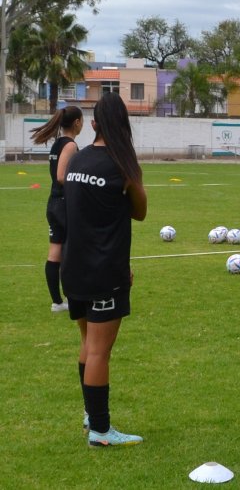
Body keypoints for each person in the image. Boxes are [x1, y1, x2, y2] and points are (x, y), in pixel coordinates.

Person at [61, 93, 147, 446]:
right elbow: (140, 212)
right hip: (104, 271)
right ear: (123, 124)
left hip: (74, 266)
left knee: (87, 343)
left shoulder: (77, 160)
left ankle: (90, 413)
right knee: (99, 351)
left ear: (93, 123)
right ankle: (99, 430)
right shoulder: (122, 165)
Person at [30, 105, 84, 313]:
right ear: (77, 122)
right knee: (67, 253)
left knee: (56, 253)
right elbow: (61, 176)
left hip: (54, 203)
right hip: (64, 204)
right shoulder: (70, 145)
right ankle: (69, 298)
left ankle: (58, 302)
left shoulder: (57, 144)